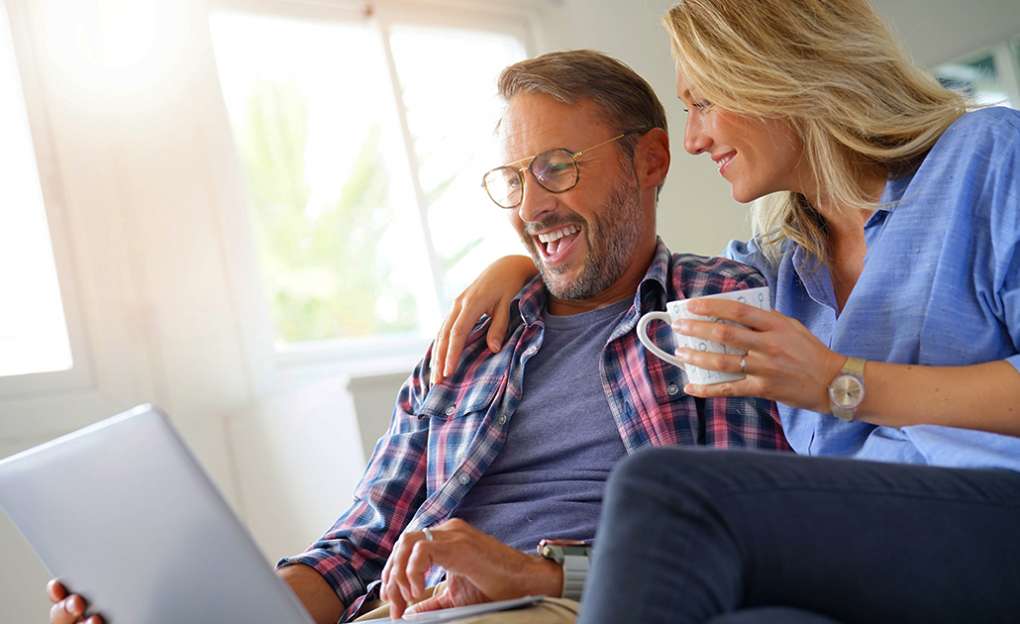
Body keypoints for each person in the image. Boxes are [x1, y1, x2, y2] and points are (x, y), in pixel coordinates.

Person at [46, 50, 789, 624]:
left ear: (650, 160)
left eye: (557, 169)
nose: (532, 207)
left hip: (567, 602)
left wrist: (533, 572)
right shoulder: (468, 346)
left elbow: (735, 538)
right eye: (513, 179)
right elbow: (356, 551)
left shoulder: (711, 303)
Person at [432, 1, 1020, 622]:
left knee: (664, 487)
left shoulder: (986, 157)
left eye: (704, 102)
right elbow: (648, 276)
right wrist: (527, 266)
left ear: (781, 73)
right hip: (860, 558)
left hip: (993, 518)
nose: (694, 139)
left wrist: (837, 383)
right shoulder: (778, 265)